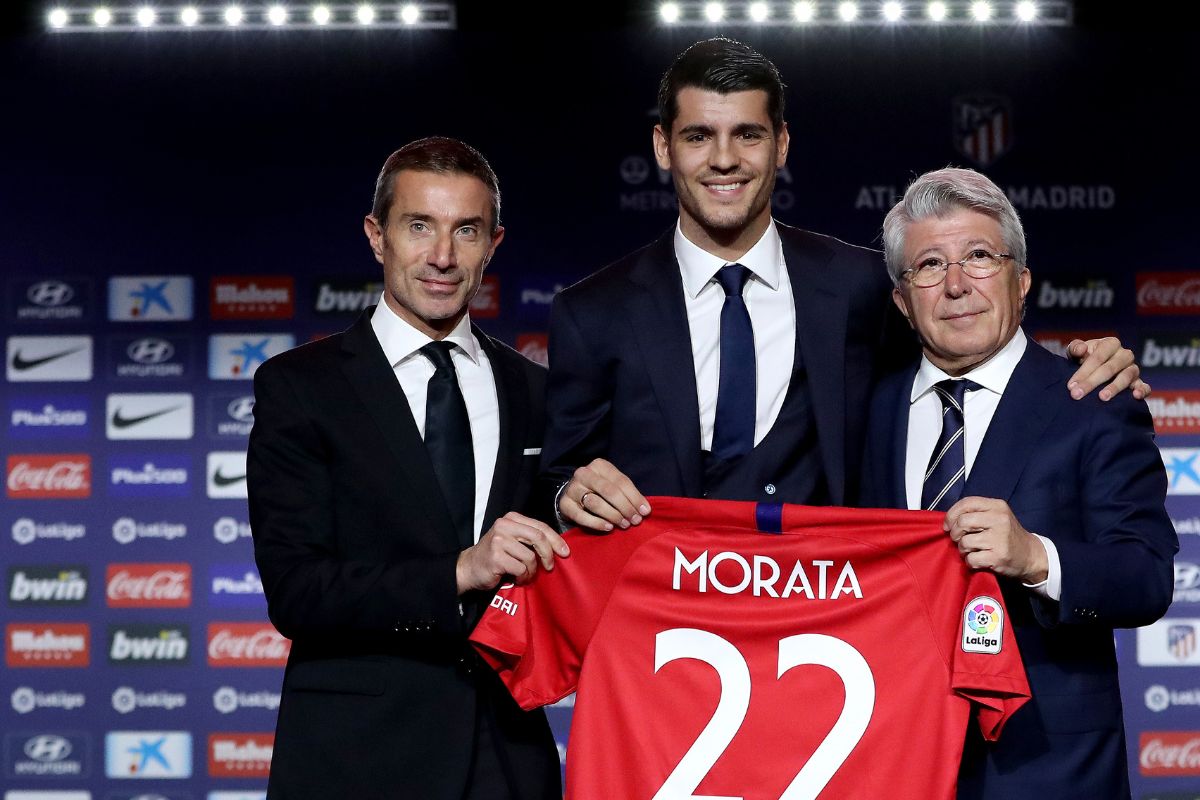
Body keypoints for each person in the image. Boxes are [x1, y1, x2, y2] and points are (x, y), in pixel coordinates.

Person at [543, 37, 1146, 530]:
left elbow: (967, 334)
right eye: (699, 136)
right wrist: (567, 490)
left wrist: (1090, 363)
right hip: (661, 638)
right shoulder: (593, 312)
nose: (723, 159)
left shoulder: (860, 285)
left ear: (781, 145)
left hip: (830, 631)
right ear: (663, 147)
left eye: (748, 134)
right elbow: (551, 477)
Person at [248, 136, 566, 800]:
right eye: (419, 226)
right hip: (355, 759)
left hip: (506, 759)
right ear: (377, 235)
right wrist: (460, 571)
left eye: (466, 231)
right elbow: (298, 591)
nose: (443, 257)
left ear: (494, 244)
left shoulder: (536, 393)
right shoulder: (301, 387)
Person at [860, 167, 1176, 799]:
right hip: (893, 757)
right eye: (928, 265)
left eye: (979, 256)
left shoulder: (1094, 400)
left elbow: (1147, 577)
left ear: (1021, 280)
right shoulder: (864, 410)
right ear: (902, 299)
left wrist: (1036, 557)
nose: (956, 285)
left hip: (1046, 769)